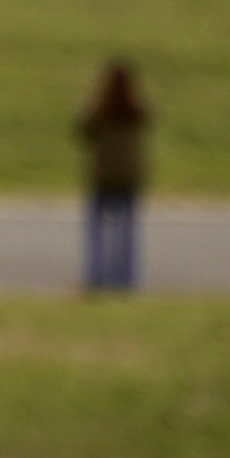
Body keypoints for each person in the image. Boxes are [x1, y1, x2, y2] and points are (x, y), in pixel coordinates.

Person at [74, 61, 149, 291]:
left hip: (103, 178)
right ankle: (126, 279)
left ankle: (96, 277)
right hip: (128, 178)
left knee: (96, 232)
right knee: (126, 234)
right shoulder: (136, 112)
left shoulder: (100, 113)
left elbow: (82, 131)